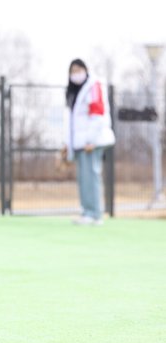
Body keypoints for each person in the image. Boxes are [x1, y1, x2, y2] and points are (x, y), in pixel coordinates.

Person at [64, 58, 115, 225]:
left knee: (92, 176)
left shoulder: (93, 86)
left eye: (78, 69)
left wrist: (91, 140)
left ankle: (95, 214)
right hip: (79, 143)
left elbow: (97, 114)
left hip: (91, 142)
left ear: (85, 69)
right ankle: (87, 212)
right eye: (72, 71)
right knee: (83, 178)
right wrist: (68, 142)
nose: (75, 74)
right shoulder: (74, 91)